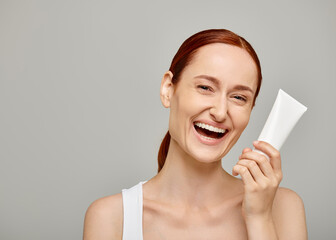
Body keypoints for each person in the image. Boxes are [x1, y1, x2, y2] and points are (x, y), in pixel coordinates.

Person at [83, 29, 307, 240]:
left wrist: (259, 218)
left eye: (239, 97)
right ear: (168, 89)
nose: (220, 112)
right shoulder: (110, 217)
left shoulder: (283, 208)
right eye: (205, 88)